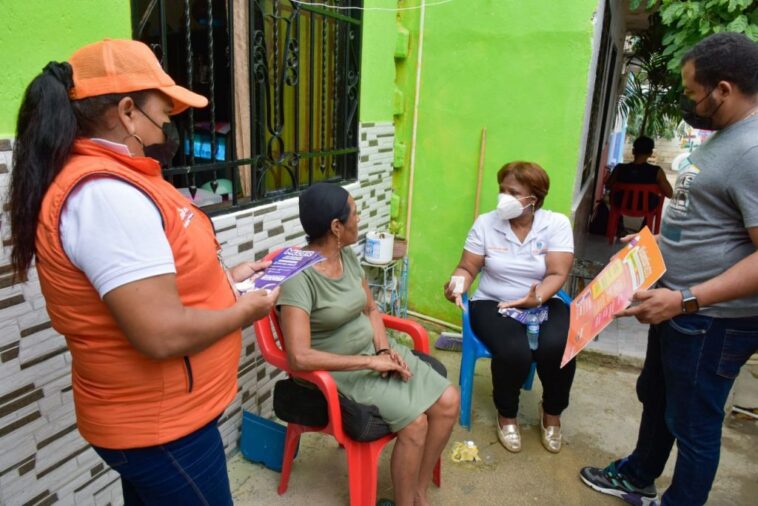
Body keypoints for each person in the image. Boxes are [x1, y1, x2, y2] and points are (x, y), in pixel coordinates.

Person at [8, 39, 279, 505]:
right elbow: (161, 334)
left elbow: (162, 284)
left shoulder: (123, 179)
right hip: (161, 427)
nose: (169, 125)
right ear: (128, 111)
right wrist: (247, 310)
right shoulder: (105, 196)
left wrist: (231, 278)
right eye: (164, 111)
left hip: (165, 418)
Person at [580, 32, 758, 506]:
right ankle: (639, 474)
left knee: (694, 421)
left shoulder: (754, 149)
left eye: (690, 90)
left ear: (723, 88)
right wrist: (653, 244)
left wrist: (685, 299)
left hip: (711, 320)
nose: (686, 100)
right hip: (678, 306)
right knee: (656, 396)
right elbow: (711, 222)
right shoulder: (725, 138)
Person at [278, 183, 459, 506]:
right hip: (340, 370)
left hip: (373, 354)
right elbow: (299, 356)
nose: (359, 219)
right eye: (355, 213)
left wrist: (383, 350)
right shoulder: (298, 277)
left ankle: (418, 491)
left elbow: (372, 308)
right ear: (336, 227)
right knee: (415, 424)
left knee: (448, 400)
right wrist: (369, 363)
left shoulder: (346, 256)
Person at [443, 161, 575, 453]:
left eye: (513, 192)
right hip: (493, 301)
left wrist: (536, 297)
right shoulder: (486, 223)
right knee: (515, 350)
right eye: (502, 190)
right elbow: (467, 266)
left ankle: (551, 413)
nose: (504, 197)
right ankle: (507, 414)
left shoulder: (556, 224)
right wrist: (457, 284)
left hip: (543, 299)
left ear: (534, 199)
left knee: (560, 345)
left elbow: (557, 273)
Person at [606, 136, 673, 209]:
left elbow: (608, 186)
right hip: (647, 209)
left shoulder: (619, 168)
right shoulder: (657, 172)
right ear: (650, 153)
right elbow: (669, 194)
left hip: (620, 206)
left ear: (633, 151)